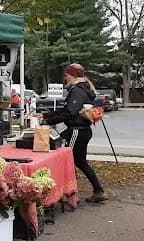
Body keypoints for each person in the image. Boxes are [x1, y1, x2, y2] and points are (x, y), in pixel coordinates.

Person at [41, 63, 108, 203]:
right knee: (80, 162)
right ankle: (98, 191)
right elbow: (67, 109)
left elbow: (70, 113)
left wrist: (48, 121)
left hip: (77, 130)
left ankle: (70, 193)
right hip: (81, 130)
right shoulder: (82, 89)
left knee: (66, 160)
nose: (65, 78)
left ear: (74, 76)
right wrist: (46, 116)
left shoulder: (77, 90)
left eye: (66, 75)